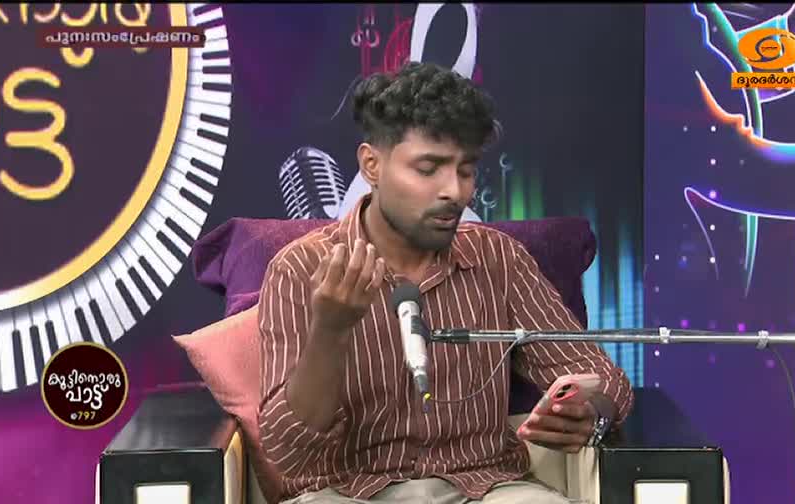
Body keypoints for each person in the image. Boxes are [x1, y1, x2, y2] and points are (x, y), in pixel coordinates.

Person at [257, 61, 634, 504]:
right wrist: (330, 330)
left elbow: (604, 379)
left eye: (466, 170)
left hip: (485, 487)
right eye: (428, 168)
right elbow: (289, 453)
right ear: (372, 165)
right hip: (348, 492)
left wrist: (593, 413)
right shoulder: (300, 268)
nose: (454, 192)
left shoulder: (499, 258)